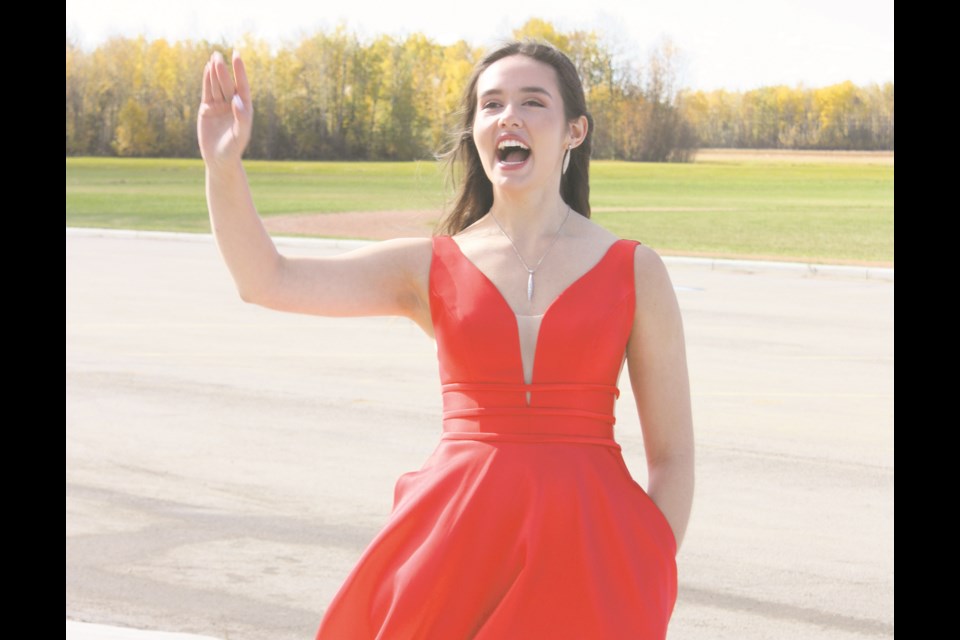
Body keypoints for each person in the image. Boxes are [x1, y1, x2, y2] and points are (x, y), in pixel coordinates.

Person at [198, 40, 694, 639]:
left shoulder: (635, 270)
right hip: (455, 546)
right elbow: (266, 279)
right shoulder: (428, 265)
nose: (508, 116)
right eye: (491, 105)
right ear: (476, 133)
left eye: (533, 102)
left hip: (592, 558)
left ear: (574, 131)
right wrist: (223, 167)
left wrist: (649, 560)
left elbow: (672, 457)